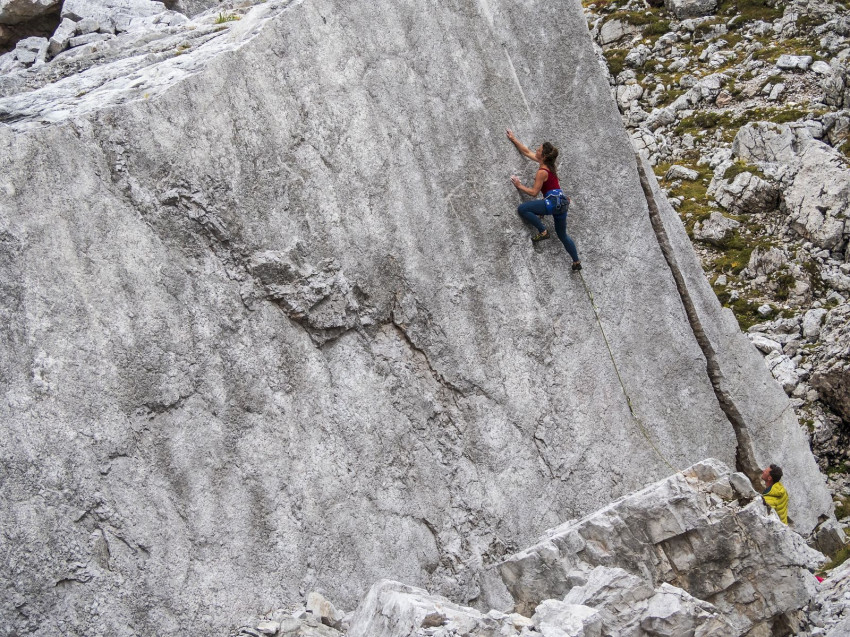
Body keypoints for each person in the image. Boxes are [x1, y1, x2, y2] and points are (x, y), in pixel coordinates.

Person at [506, 129, 581, 271]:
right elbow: (527, 152)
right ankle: (576, 262)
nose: (536, 150)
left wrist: (519, 185)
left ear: (544, 156)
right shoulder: (549, 166)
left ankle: (543, 231)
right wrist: (514, 139)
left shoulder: (542, 172)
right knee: (563, 235)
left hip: (552, 204)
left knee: (523, 209)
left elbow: (534, 193)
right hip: (562, 204)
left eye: (539, 150)